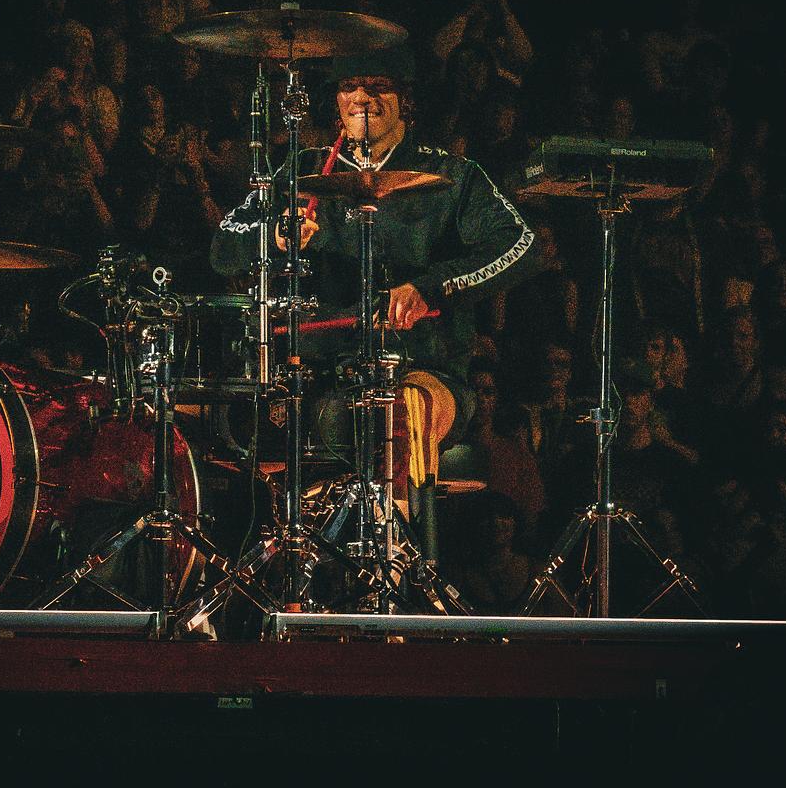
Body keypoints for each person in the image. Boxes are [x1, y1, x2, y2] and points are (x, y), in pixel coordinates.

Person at [210, 45, 540, 474]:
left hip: (421, 366)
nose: (362, 97)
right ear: (337, 101)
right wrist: (274, 235)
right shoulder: (301, 169)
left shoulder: (454, 175)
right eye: (350, 87)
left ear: (406, 100)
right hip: (319, 369)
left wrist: (431, 286)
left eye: (378, 86)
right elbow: (223, 246)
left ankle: (395, 513)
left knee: (398, 415)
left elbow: (520, 245)